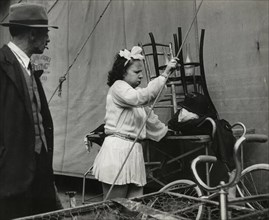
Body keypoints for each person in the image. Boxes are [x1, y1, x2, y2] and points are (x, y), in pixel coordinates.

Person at [0, 3, 62, 219]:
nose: (49, 39)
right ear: (33, 34)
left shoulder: (28, 67)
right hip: (11, 181)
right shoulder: (1, 65)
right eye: (46, 32)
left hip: (40, 176)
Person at [92, 46, 178, 200]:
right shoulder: (118, 88)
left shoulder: (135, 96)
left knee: (134, 209)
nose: (140, 76)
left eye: (141, 73)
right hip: (117, 152)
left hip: (134, 152)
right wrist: (163, 75)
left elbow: (150, 120)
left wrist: (168, 131)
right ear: (123, 73)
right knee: (115, 208)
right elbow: (140, 98)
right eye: (136, 72)